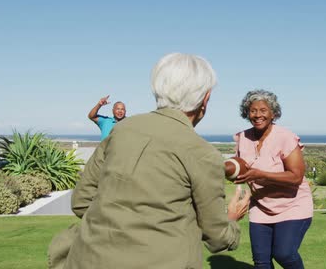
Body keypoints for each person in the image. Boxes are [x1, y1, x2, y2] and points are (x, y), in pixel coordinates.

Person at [49, 53, 251, 269]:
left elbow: (81, 201)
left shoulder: (121, 130)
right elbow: (218, 237)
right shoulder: (202, 153)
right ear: (206, 98)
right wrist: (231, 218)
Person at [233, 89, 313, 269]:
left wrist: (261, 175)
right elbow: (240, 166)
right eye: (253, 110)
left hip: (293, 205)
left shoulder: (285, 137)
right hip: (261, 207)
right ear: (247, 113)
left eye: (263, 110)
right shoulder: (242, 138)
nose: (257, 115)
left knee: (284, 253)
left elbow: (296, 176)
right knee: (261, 263)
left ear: (273, 113)